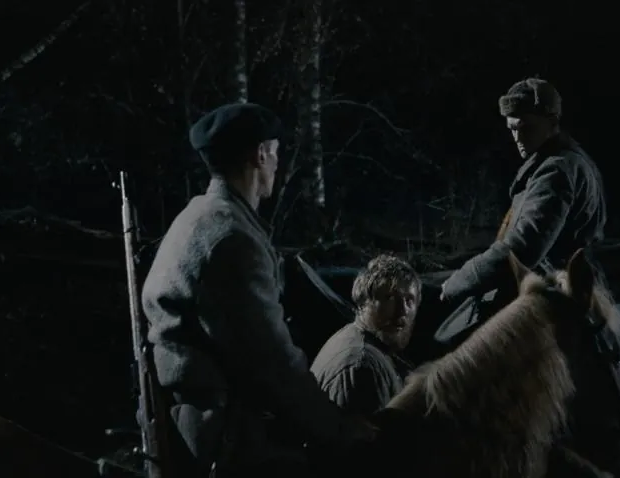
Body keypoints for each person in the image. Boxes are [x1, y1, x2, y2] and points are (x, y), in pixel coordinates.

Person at [141, 102, 375, 478]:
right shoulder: (231, 240)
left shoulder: (199, 216)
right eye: (276, 153)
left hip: (199, 418)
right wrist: (338, 429)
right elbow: (272, 365)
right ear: (261, 154)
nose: (277, 164)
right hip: (226, 437)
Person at [435, 77, 608, 343]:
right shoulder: (565, 161)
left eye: (526, 128)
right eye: (512, 129)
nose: (517, 137)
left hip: (556, 293)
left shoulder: (556, 170)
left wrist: (459, 282)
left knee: (454, 345)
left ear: (551, 122)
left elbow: (523, 249)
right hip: (557, 284)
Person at [310, 255, 421, 415]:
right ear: (363, 304)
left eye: (409, 300)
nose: (402, 310)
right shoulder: (363, 365)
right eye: (389, 298)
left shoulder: (363, 341)